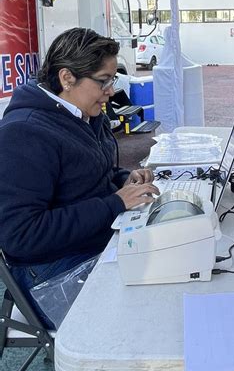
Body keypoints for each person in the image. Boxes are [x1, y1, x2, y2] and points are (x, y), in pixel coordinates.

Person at [0, 27, 159, 327]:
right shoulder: (23, 133)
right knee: (153, 302)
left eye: (112, 80)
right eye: (103, 81)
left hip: (89, 243)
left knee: (170, 261)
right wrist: (115, 203)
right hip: (49, 274)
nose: (111, 90)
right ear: (66, 78)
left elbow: (93, 174)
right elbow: (22, 236)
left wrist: (124, 180)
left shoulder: (84, 112)